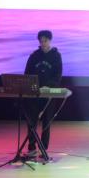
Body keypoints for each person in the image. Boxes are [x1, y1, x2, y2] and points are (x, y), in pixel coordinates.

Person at [24, 30, 63, 160]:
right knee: (31, 121)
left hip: (49, 93)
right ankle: (31, 148)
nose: (43, 43)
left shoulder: (56, 56)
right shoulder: (34, 55)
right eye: (41, 41)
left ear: (50, 40)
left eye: (45, 41)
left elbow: (58, 75)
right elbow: (27, 73)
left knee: (46, 122)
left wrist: (49, 86)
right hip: (35, 93)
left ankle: (43, 149)